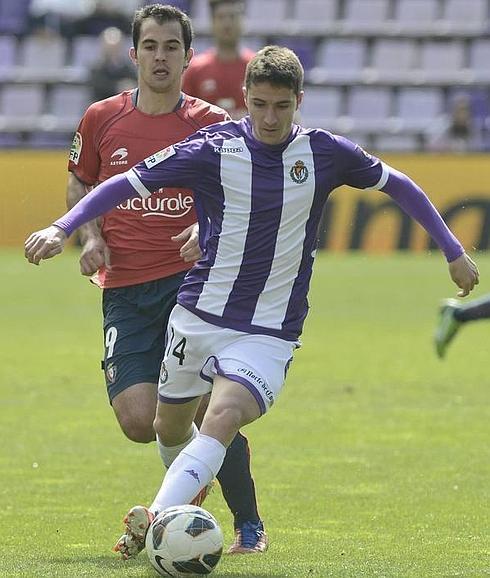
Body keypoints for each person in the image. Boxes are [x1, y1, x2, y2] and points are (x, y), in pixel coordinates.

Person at [25, 45, 480, 561]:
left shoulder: (324, 153)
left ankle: (154, 526)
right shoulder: (212, 147)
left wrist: (453, 251)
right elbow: (122, 185)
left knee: (222, 416)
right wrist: (63, 227)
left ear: (298, 101)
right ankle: (190, 510)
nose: (269, 117)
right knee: (167, 427)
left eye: (281, 107)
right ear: (245, 98)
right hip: (196, 316)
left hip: (268, 330)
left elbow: (398, 185)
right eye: (259, 104)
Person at [61, 4, 267, 556]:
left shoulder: (211, 126)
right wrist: (91, 239)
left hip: (192, 287)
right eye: (150, 46)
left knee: (203, 409)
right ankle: (184, 504)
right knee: (137, 419)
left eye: (170, 47)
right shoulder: (100, 118)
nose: (159, 56)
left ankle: (244, 524)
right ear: (134, 54)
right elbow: (82, 186)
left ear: (185, 55)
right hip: (125, 289)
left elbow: (238, 197)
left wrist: (207, 227)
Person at [182, 0, 254, 119]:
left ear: (243, 20)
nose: (227, 23)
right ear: (212, 22)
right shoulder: (195, 69)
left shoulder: (256, 67)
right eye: (221, 17)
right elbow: (183, 115)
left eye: (232, 17)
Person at [89, 26, 136, 101]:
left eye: (116, 47)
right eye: (110, 48)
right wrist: (118, 87)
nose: (113, 51)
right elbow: (98, 86)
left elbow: (134, 84)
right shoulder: (96, 68)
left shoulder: (128, 68)